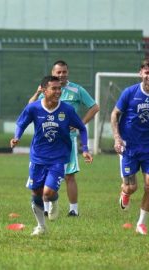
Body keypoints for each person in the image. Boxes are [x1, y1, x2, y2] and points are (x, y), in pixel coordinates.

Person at [11, 75, 93, 236]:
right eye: (54, 88)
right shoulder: (34, 108)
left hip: (59, 157)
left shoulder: (67, 110)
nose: (58, 91)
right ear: (43, 90)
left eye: (59, 88)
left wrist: (85, 149)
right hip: (37, 157)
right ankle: (41, 226)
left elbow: (82, 128)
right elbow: (21, 123)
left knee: (47, 193)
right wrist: (17, 137)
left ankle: (54, 199)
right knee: (36, 192)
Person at [110, 59, 149, 235]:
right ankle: (125, 193)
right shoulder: (129, 92)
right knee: (131, 187)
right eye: (147, 72)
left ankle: (141, 223)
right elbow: (115, 114)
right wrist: (117, 138)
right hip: (129, 147)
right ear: (141, 73)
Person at [28, 60, 99, 217]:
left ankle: (73, 210)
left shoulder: (76, 89)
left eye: (64, 72)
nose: (61, 75)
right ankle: (46, 208)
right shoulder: (46, 89)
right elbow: (29, 107)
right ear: (53, 73)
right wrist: (37, 92)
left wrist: (80, 123)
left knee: (69, 175)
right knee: (44, 175)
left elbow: (94, 107)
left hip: (68, 139)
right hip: (46, 140)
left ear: (68, 72)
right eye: (58, 72)